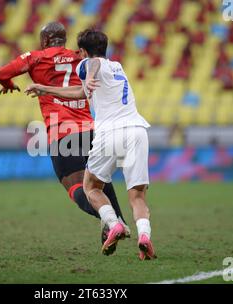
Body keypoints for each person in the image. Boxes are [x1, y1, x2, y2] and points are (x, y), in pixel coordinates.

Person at [0, 22, 129, 254]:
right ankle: (119, 218)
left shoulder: (36, 58)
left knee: (77, 187)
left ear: (45, 41)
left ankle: (110, 220)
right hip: (91, 129)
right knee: (99, 179)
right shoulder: (80, 56)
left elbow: (2, 73)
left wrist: (8, 84)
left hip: (62, 133)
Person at [25, 29, 156, 260]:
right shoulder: (118, 67)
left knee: (91, 188)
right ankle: (144, 237)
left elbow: (93, 65)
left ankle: (114, 224)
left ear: (83, 51)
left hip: (109, 133)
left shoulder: (86, 65)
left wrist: (91, 72)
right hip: (137, 130)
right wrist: (45, 88)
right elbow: (79, 92)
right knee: (138, 197)